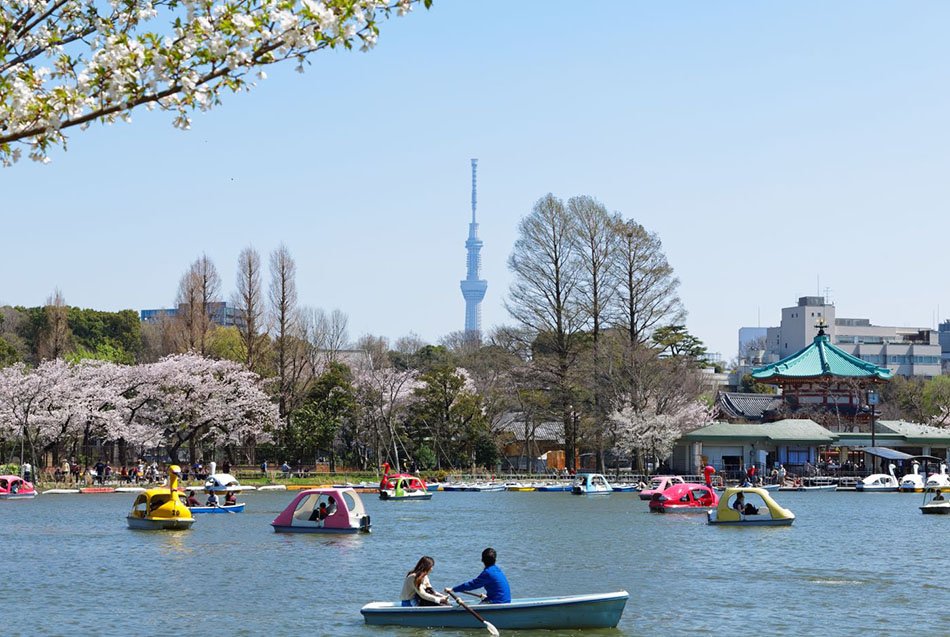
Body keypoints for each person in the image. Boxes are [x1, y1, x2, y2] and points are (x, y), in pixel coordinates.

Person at [446, 548, 511, 604]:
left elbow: (472, 585)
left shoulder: (488, 573)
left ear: (482, 560)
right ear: (495, 560)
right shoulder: (498, 570)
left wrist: (453, 589)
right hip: (506, 601)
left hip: (497, 602)